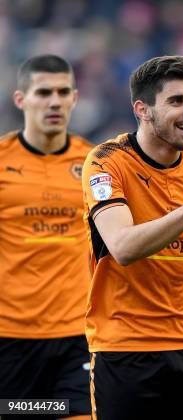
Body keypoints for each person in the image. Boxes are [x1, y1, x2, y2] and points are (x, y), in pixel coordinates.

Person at [82, 56, 183, 420]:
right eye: (177, 101)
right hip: (124, 350)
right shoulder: (107, 162)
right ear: (143, 110)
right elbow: (122, 247)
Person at [0, 55, 92, 420]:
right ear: (21, 99)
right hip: (11, 339)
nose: (54, 101)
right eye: (43, 92)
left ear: (74, 98)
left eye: (62, 92)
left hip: (78, 338)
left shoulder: (96, 163)